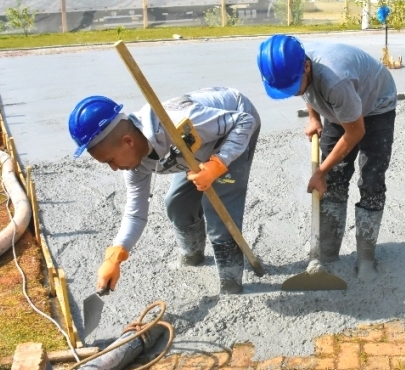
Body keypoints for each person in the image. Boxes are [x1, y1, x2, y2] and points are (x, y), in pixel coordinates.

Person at [67, 87, 260, 295]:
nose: (113, 168)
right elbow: (135, 212)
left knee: (219, 214)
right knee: (177, 203)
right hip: (192, 147)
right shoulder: (133, 164)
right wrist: (116, 254)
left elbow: (244, 121)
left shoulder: (178, 123)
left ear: (128, 142)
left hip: (232, 127)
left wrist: (218, 164)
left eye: (110, 160)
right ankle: (192, 256)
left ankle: (231, 285)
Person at [256, 34, 396, 279]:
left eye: (291, 87)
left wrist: (320, 171)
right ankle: (329, 252)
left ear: (307, 66)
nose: (290, 93)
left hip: (375, 104)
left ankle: (365, 259)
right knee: (333, 180)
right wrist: (314, 118)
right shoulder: (293, 64)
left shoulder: (335, 81)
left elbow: (356, 131)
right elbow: (307, 90)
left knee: (371, 180)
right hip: (339, 106)